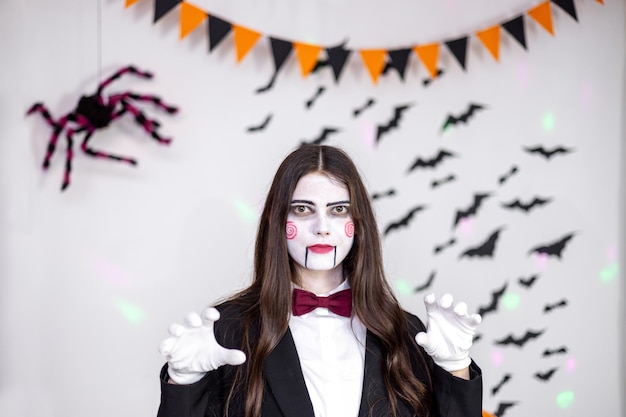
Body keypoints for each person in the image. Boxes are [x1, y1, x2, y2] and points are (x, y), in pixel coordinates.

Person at [157, 144, 483, 417]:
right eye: (302, 209)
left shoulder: (408, 336)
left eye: (338, 209)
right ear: (276, 220)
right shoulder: (227, 332)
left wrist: (455, 369)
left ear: (358, 222)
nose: (321, 227)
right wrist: (184, 384)